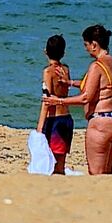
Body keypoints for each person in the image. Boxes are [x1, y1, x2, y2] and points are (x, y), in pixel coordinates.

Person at [44, 24, 112, 175]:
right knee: (107, 173)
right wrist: (70, 83)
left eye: (86, 45)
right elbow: (102, 86)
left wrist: (59, 101)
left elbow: (86, 97)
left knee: (96, 174)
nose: (86, 49)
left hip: (102, 121)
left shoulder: (96, 66)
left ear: (94, 44)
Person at [36, 34, 75, 174]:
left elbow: (47, 99)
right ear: (63, 53)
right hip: (66, 118)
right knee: (61, 161)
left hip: (54, 120)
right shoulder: (66, 70)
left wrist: (40, 126)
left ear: (45, 51)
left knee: (51, 161)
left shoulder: (48, 72)